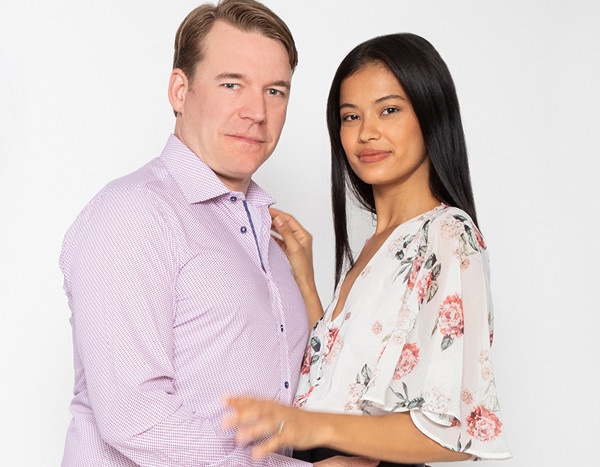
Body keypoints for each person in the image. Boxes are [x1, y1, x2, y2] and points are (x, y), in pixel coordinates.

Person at [59, 1, 375, 466]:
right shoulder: (133, 214)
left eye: (275, 91)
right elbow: (135, 420)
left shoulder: (269, 241)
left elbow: (304, 397)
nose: (257, 112)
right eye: (232, 84)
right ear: (180, 90)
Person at [223, 33, 512, 466]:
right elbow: (338, 386)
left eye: (389, 110)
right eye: (350, 116)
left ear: (431, 114)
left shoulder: (448, 235)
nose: (366, 133)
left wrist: (308, 427)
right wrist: (306, 281)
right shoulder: (378, 244)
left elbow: (452, 432)